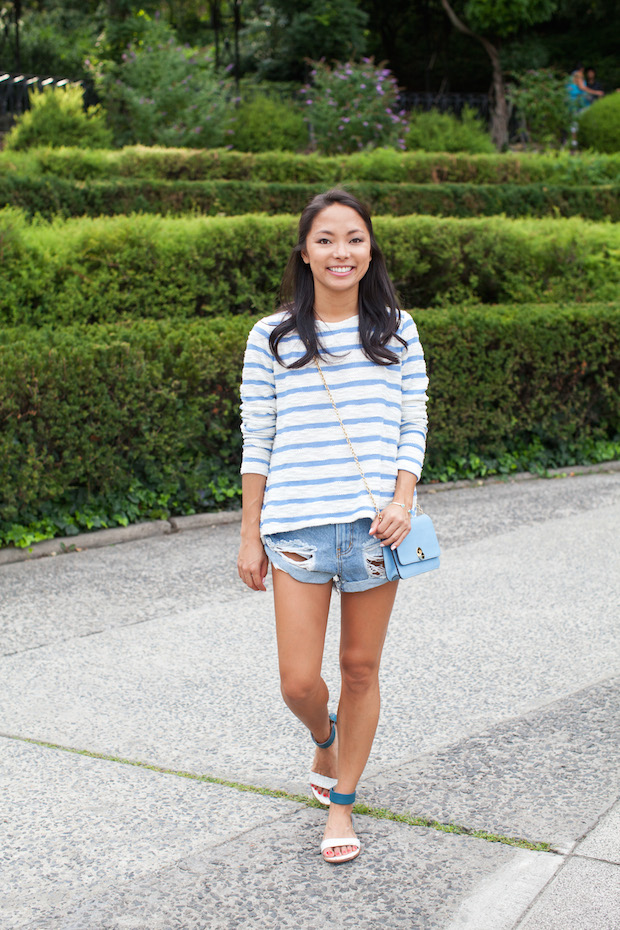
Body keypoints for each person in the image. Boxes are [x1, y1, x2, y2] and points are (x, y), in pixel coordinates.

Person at [237, 189, 429, 864]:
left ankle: (342, 805)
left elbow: (414, 423)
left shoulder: (397, 330)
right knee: (297, 682)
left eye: (353, 238)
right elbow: (256, 437)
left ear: (370, 248)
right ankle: (325, 738)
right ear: (305, 252)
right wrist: (248, 532)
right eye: (325, 239)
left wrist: (404, 498)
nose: (340, 251)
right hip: (294, 530)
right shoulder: (273, 336)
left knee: (359, 667)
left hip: (377, 533)